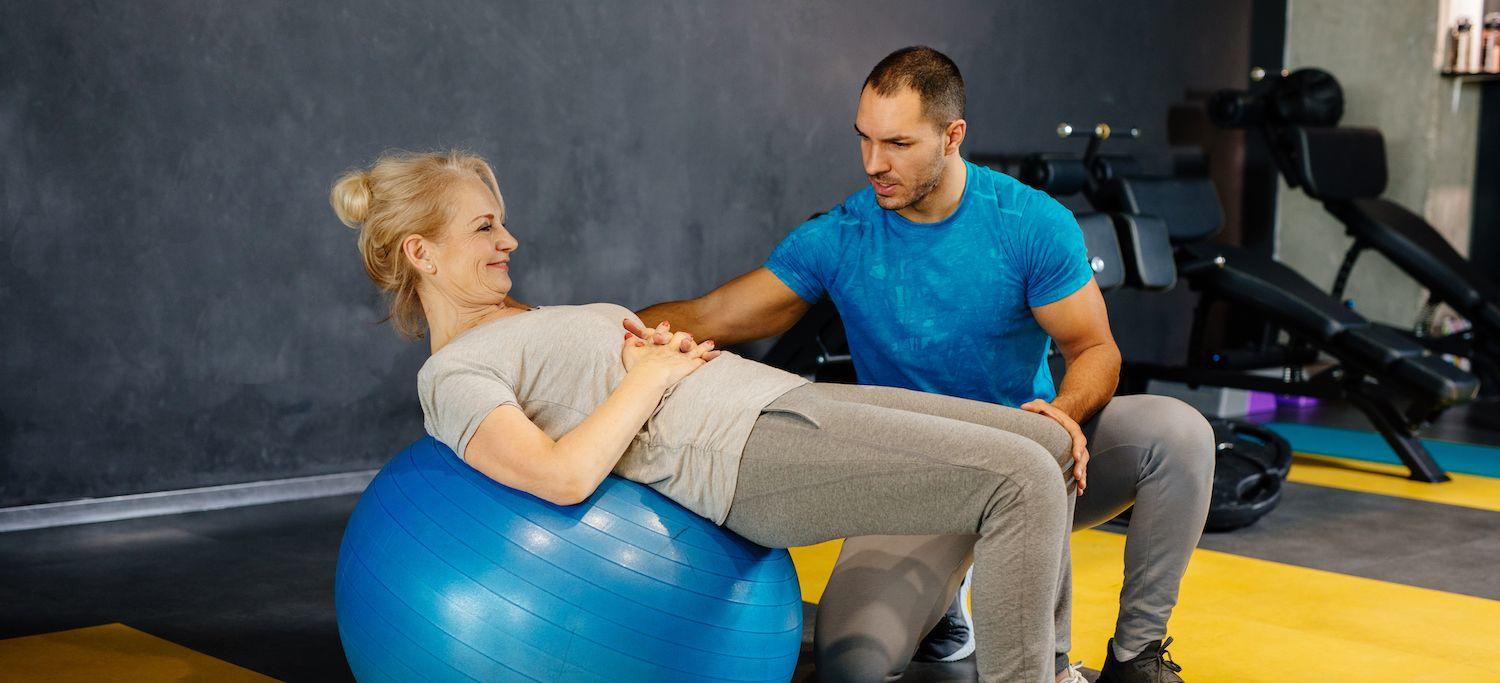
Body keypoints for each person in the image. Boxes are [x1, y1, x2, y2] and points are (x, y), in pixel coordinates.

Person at [330, 149, 1086, 682]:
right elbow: (562, 476)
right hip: (739, 451)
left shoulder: (518, 317)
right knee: (1018, 476)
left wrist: (652, 353)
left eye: (502, 224)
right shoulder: (453, 373)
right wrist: (651, 374)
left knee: (1045, 439)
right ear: (422, 253)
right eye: (485, 228)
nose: (510, 240)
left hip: (770, 395)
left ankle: (1050, 663)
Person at [635, 46, 1214, 683]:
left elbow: (1096, 350)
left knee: (1179, 434)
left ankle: (1136, 657)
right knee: (851, 664)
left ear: (952, 136)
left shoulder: (1028, 223)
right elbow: (712, 313)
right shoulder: (841, 235)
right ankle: (946, 602)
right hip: (919, 479)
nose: (874, 164)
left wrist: (1064, 414)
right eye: (865, 140)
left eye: (899, 144)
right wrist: (589, 326)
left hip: (1036, 462)